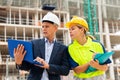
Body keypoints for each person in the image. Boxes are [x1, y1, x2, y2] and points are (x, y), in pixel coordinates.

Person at [14, 12, 70, 80]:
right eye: (42, 26)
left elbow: (65, 70)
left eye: (47, 26)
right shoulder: (34, 44)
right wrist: (19, 62)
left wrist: (48, 66)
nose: (44, 29)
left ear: (55, 28)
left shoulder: (63, 48)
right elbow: (27, 67)